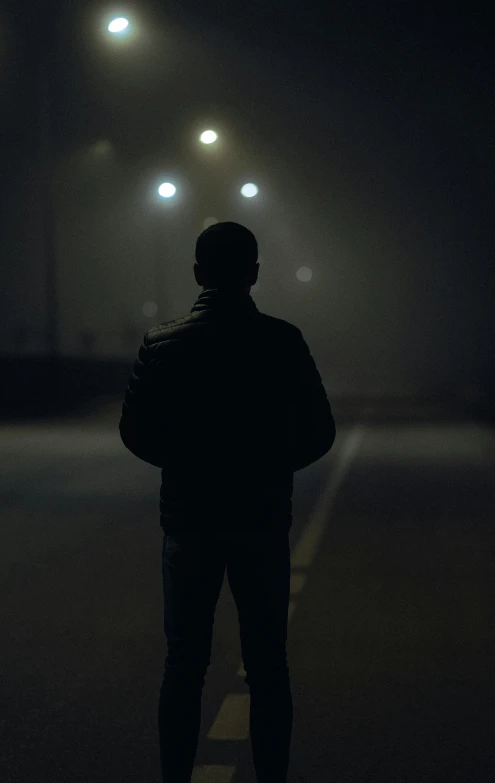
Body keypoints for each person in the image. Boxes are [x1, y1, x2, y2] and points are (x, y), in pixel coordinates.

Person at [119, 221, 336, 782]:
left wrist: (188, 464)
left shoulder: (161, 344)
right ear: (255, 274)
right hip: (261, 522)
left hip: (188, 523)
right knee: (267, 667)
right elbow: (319, 432)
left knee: (184, 664)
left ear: (197, 273)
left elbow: (135, 432)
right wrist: (264, 467)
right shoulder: (283, 341)